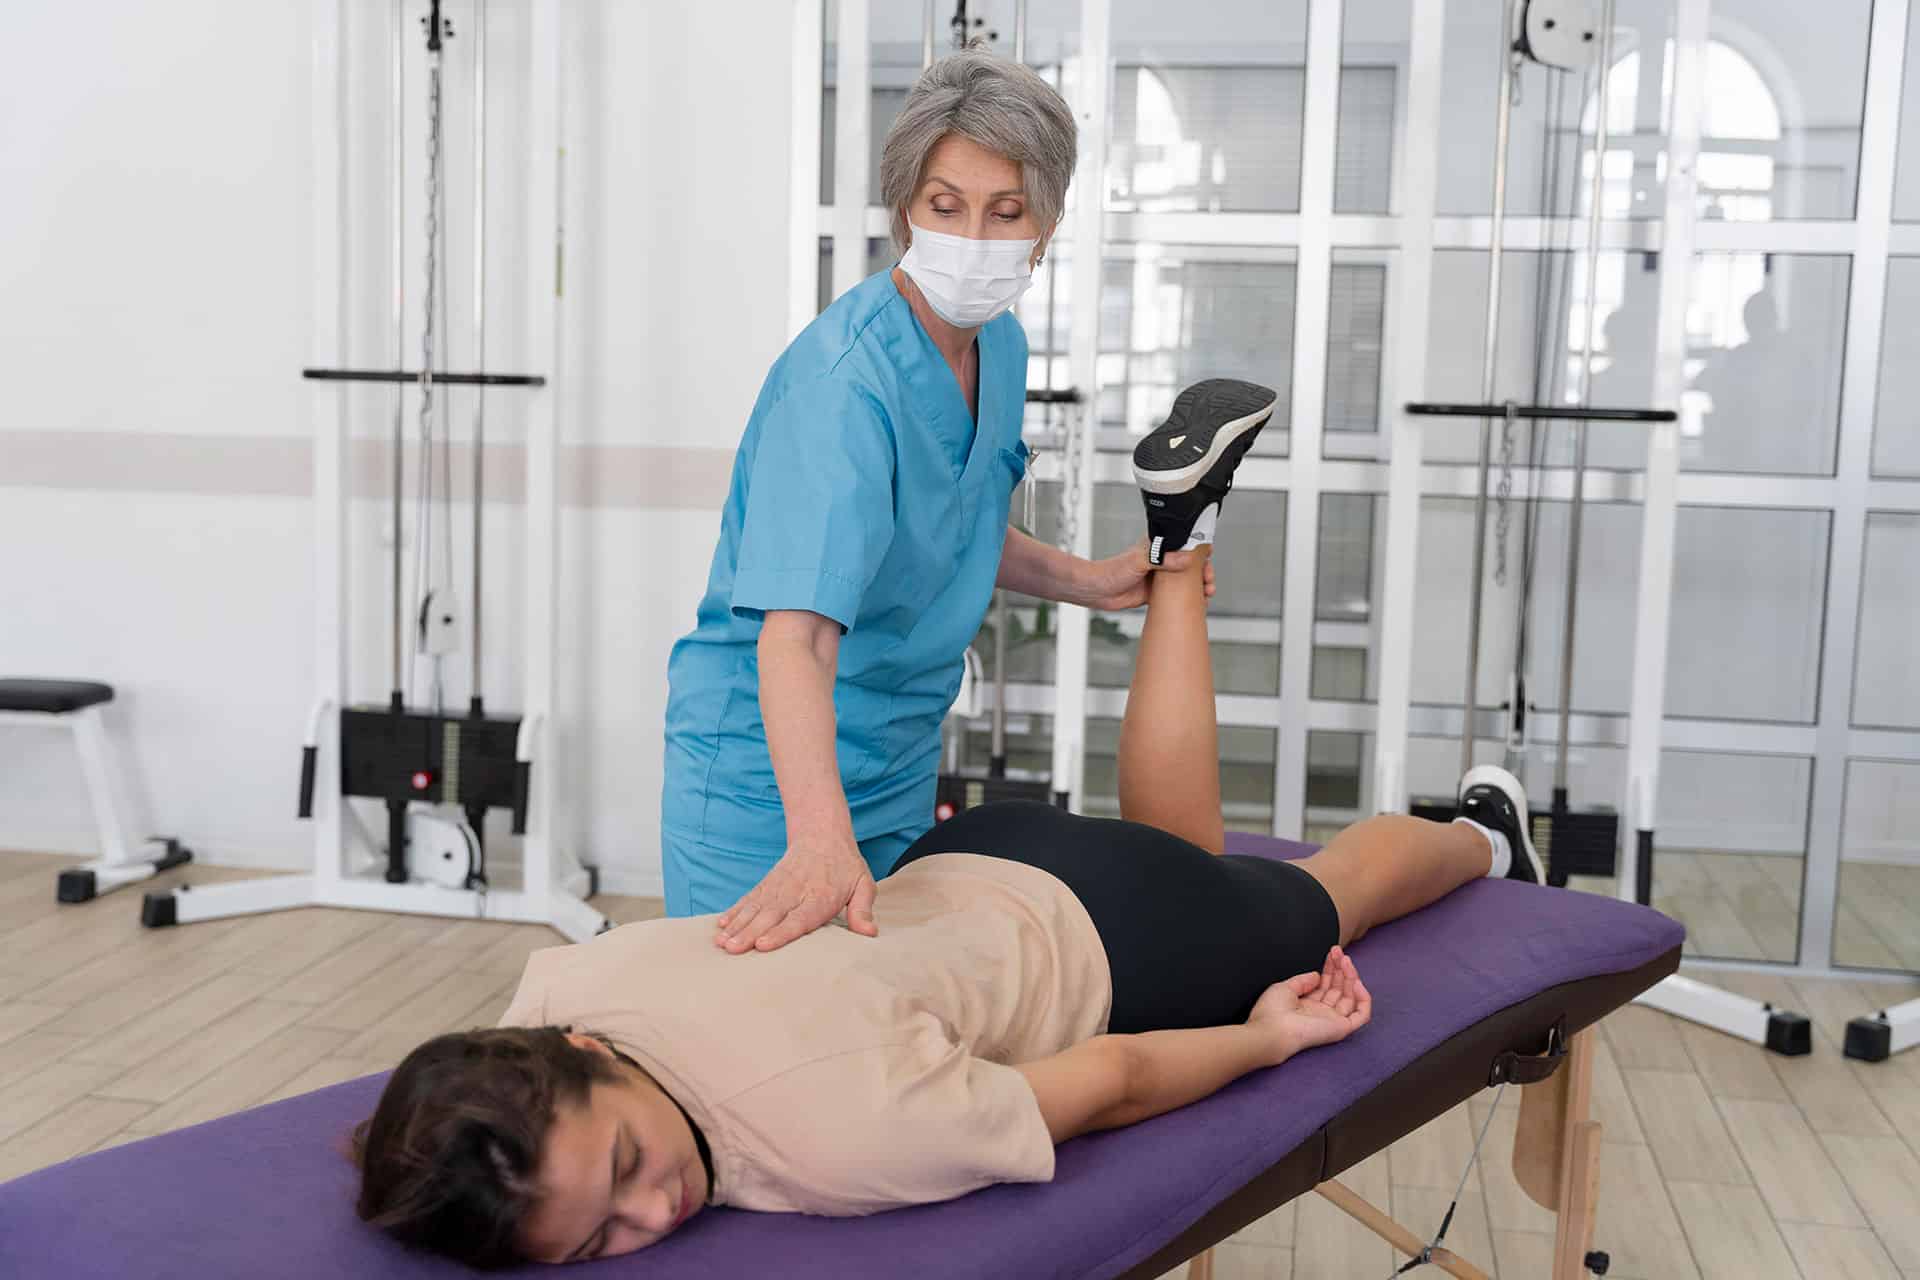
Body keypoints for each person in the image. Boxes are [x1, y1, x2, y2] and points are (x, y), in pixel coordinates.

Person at [352, 405, 1548, 1268]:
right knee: (1197, 859)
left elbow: (1115, 1077)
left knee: (1331, 891)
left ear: (588, 1056)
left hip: (1112, 939)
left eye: (621, 1169)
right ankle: (1179, 547)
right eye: (595, 1244)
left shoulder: (840, 1140)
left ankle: (1487, 835)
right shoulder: (563, 985)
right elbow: (477, 1089)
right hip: (962, 855)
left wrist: (1261, 1039)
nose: (653, 1215)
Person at [661, 49, 1247, 949]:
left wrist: (1092, 582)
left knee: (891, 1029)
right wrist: (819, 840)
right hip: (770, 785)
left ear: (1045, 226)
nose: (974, 236)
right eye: (946, 206)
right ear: (905, 210)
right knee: (761, 1057)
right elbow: (799, 634)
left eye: (1005, 212)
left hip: (895, 764)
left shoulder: (997, 348)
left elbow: (954, 521)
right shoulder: (842, 386)